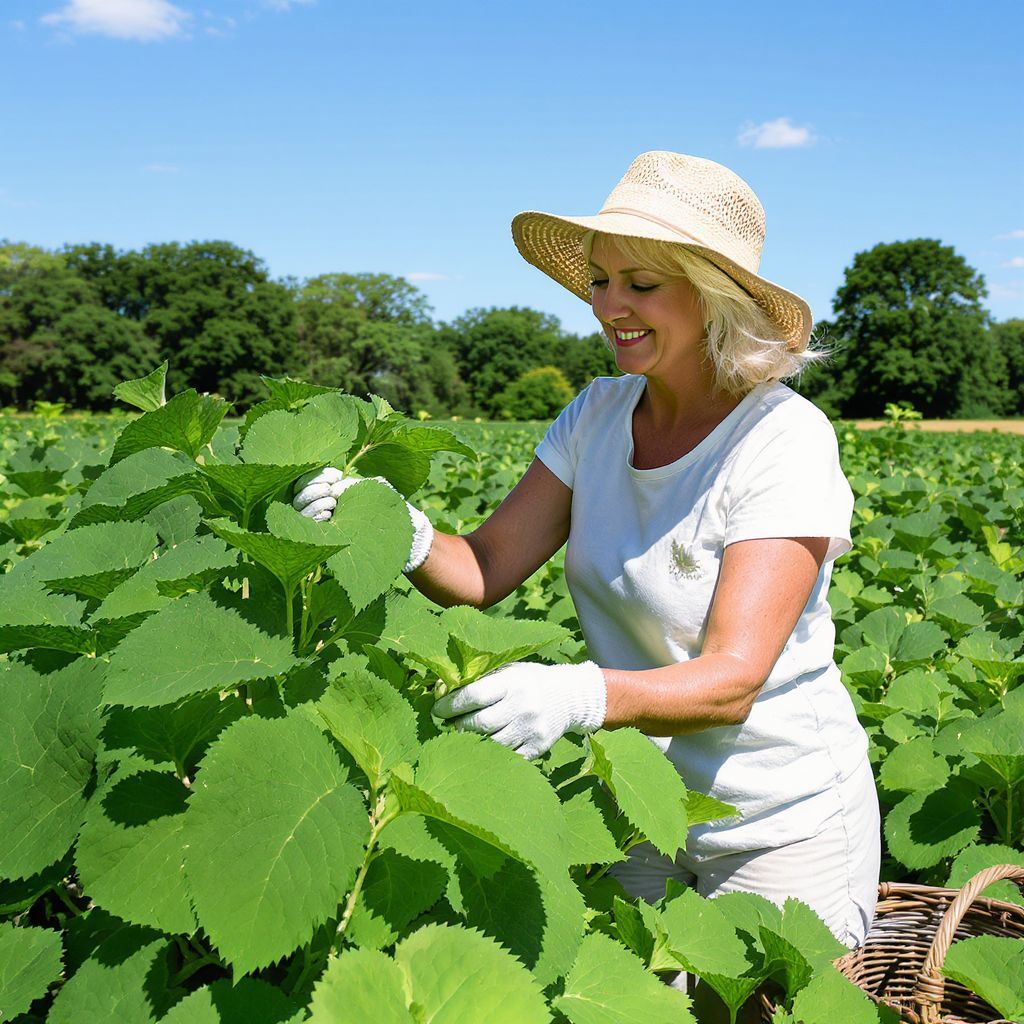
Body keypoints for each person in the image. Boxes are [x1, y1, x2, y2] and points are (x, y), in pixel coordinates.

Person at [293, 151, 880, 1020]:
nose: (609, 306)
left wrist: (576, 692)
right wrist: (399, 529)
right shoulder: (598, 415)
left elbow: (733, 679)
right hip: (642, 801)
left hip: (778, 818)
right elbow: (484, 570)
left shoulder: (782, 440)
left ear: (713, 296)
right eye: (600, 280)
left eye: (640, 283)